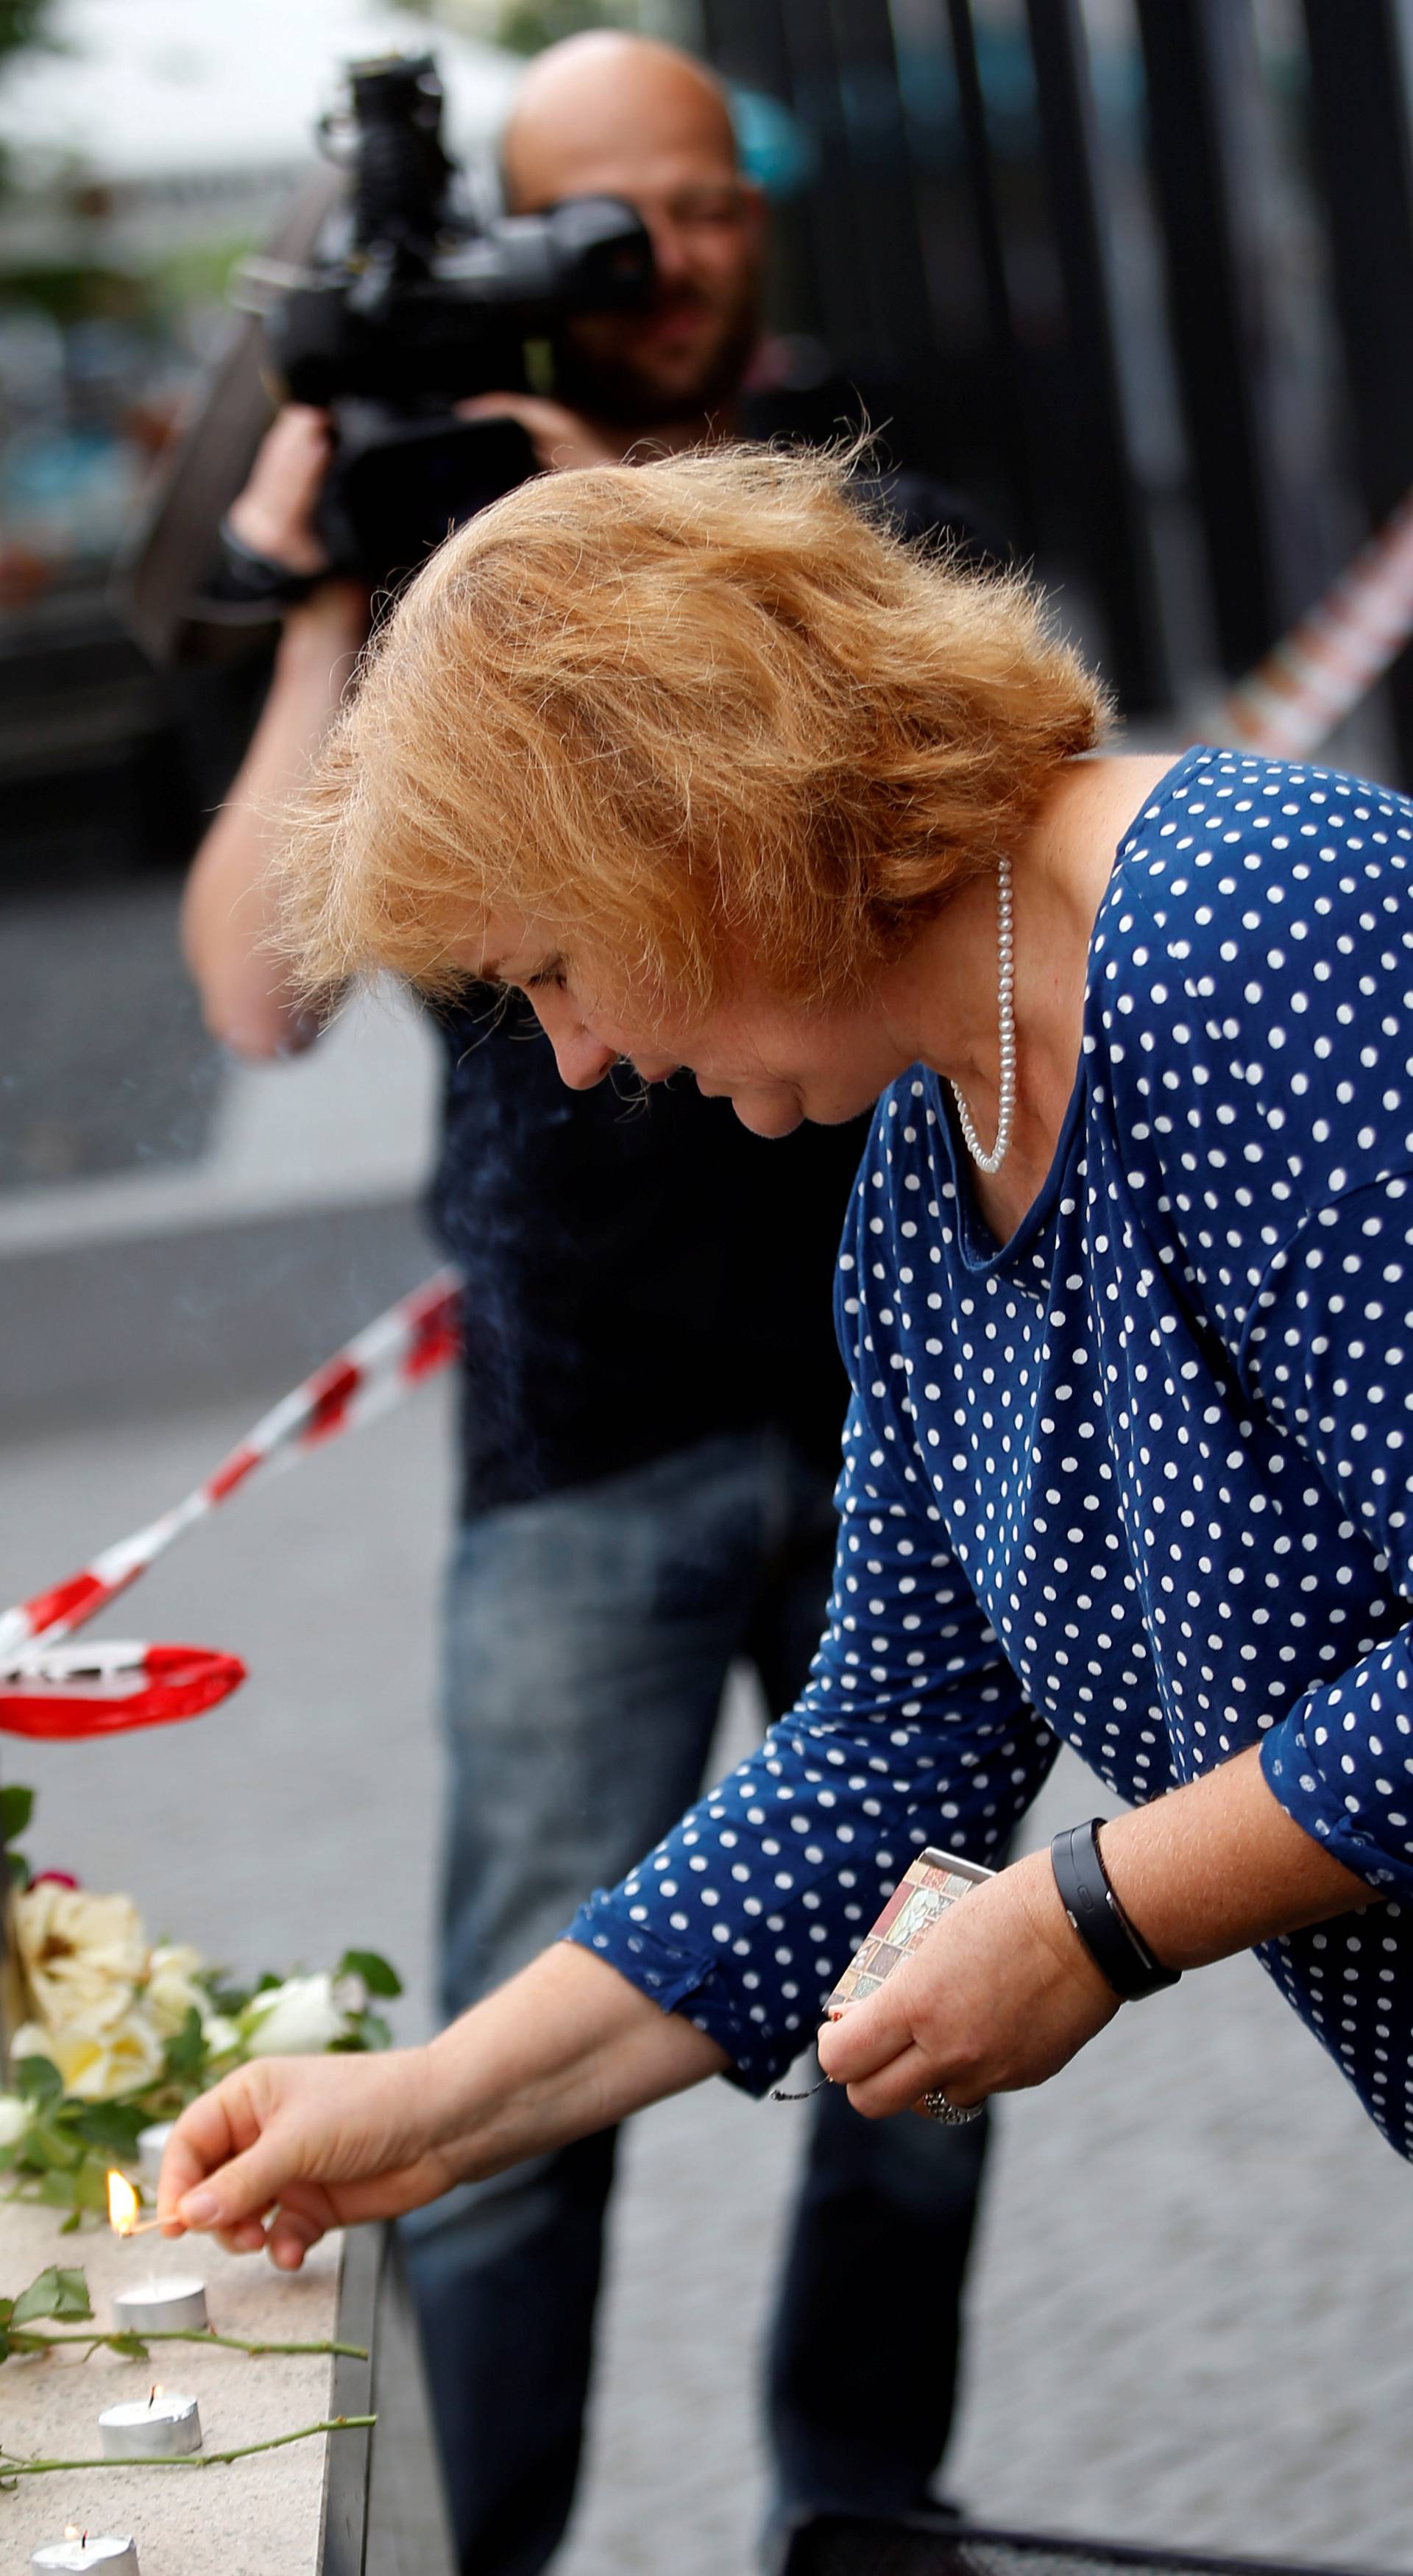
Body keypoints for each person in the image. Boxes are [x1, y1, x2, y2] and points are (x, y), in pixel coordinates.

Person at [163, 442, 1413, 2301]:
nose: (574, 1059)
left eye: (561, 967)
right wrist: (427, 2106)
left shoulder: (1253, 930)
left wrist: (1098, 1912)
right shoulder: (920, 1183)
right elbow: (884, 1752)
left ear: (682, 836)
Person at [180, 35, 992, 2575]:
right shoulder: (398, 542)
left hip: (910, 1394)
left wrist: (595, 560)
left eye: (697, 205)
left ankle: (862, 2520)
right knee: (510, 2049)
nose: (667, 253)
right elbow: (250, 990)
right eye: (602, 213)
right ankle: (482, 2552)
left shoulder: (840, 495)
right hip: (583, 1416)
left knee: (923, 2035)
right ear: (517, 239)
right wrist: (351, 596)